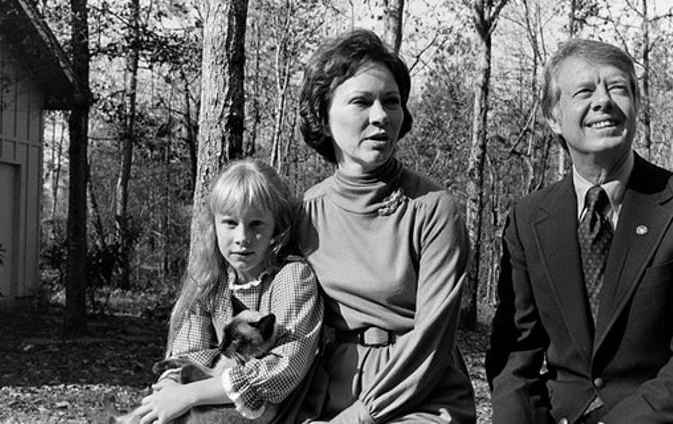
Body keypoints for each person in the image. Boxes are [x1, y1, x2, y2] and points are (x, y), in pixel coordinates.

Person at [485, 39, 673, 424]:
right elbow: (515, 356)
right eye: (584, 91)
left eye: (618, 88)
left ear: (636, 107)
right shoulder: (528, 220)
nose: (603, 101)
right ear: (554, 118)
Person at [295, 29, 476, 423]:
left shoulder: (433, 209)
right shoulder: (305, 212)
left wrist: (359, 417)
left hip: (421, 399)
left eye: (391, 102)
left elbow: (432, 341)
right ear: (323, 117)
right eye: (361, 101)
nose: (381, 116)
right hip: (326, 395)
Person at [134, 159, 323, 424]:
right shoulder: (211, 279)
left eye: (256, 224)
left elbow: (283, 370)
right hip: (210, 398)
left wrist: (189, 395)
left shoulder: (292, 277)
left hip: (268, 412)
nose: (242, 237)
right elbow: (189, 352)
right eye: (231, 223)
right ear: (214, 225)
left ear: (276, 227)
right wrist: (169, 389)